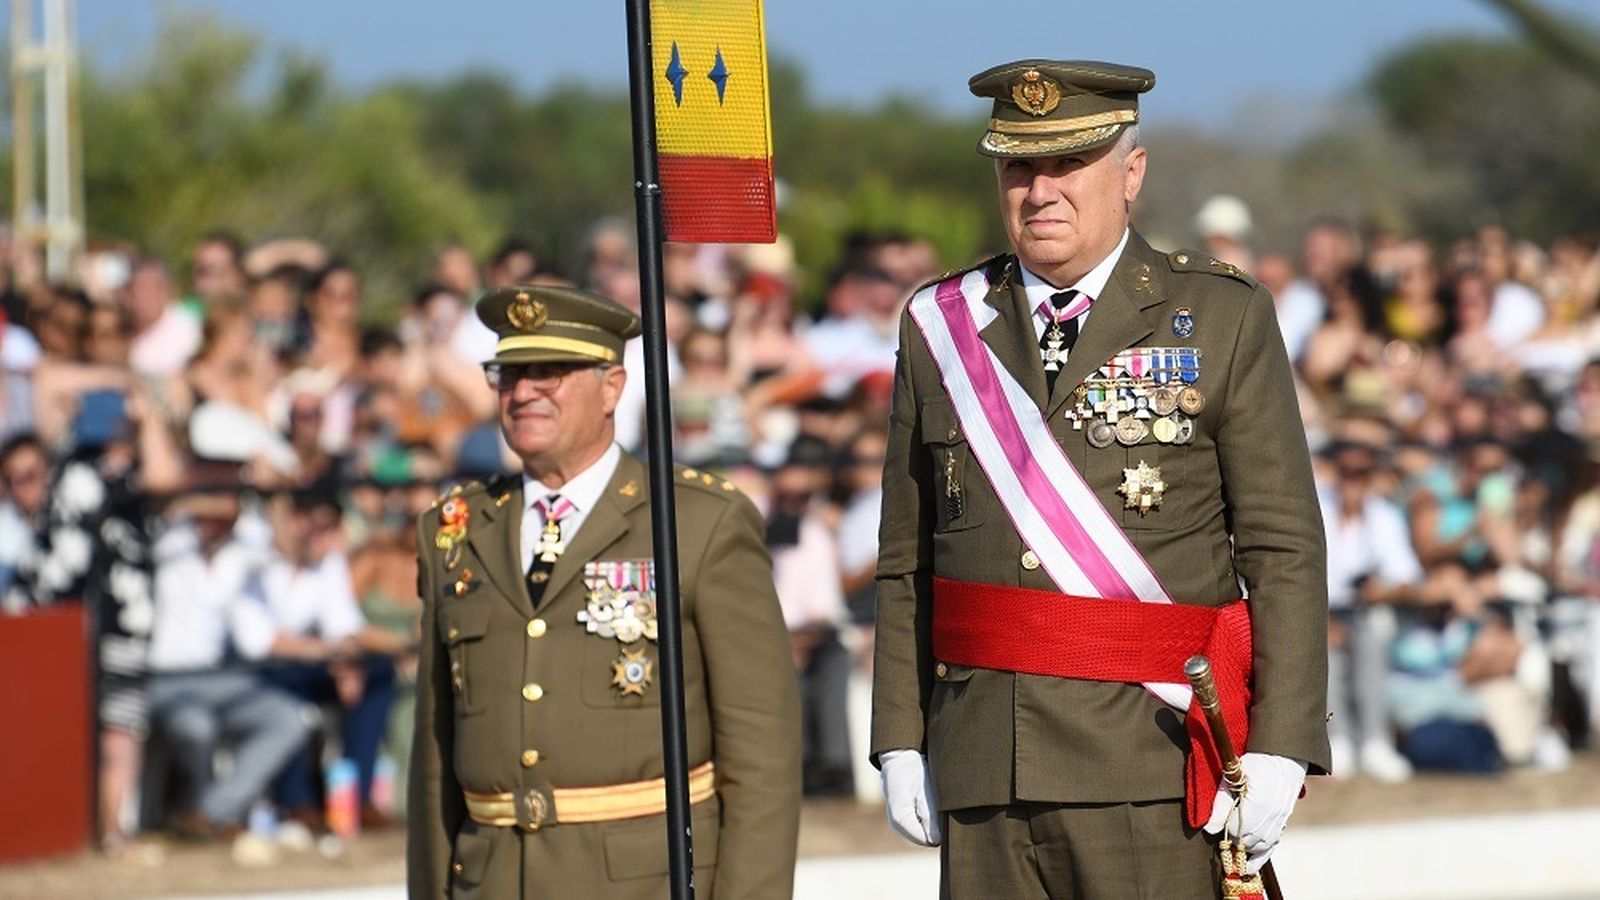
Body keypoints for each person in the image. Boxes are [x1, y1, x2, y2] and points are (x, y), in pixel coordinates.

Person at [871, 60, 1329, 898]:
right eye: (1018, 166)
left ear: (1132, 172)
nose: (1039, 191)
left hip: (1147, 756)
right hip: (985, 761)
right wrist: (900, 734)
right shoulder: (939, 324)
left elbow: (1281, 545)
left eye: (1067, 164)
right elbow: (908, 560)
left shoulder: (1220, 314)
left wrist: (1281, 741)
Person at [408, 285, 801, 899]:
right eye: (508, 374)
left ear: (612, 387)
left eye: (551, 372)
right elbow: (434, 757)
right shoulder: (455, 528)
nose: (524, 391)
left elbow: (762, 755)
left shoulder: (696, 522)